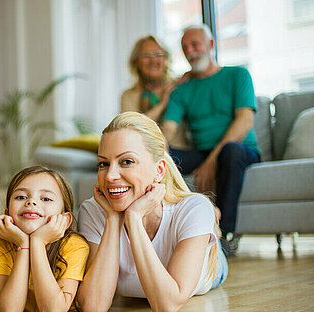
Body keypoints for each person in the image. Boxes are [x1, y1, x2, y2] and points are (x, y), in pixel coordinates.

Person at [77, 112, 227, 312]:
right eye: (103, 163)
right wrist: (114, 220)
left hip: (212, 268)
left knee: (202, 210)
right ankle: (208, 224)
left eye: (127, 161)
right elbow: (93, 306)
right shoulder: (94, 211)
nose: (110, 176)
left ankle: (209, 227)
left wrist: (134, 218)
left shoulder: (193, 209)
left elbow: (167, 304)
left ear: (159, 171)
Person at [161, 24, 260, 256]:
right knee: (163, 157)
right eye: (185, 47)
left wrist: (211, 162)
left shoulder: (238, 75)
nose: (191, 51)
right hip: (202, 151)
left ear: (211, 45)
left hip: (241, 150)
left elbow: (244, 121)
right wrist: (160, 148)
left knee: (231, 152)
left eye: (195, 44)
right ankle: (169, 235)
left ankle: (226, 237)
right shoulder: (182, 90)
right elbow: (168, 129)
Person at [0, 166, 89, 312]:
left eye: (46, 198)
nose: (31, 202)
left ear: (65, 220)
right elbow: (9, 309)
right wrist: (23, 244)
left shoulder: (74, 246)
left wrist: (38, 242)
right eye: (21, 197)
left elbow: (53, 310)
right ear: (7, 213)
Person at [121, 35, 189, 150]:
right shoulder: (129, 95)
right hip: (142, 151)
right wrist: (162, 104)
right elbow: (132, 131)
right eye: (146, 56)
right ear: (136, 62)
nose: (153, 61)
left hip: (179, 152)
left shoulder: (179, 86)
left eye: (158, 55)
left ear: (166, 59)